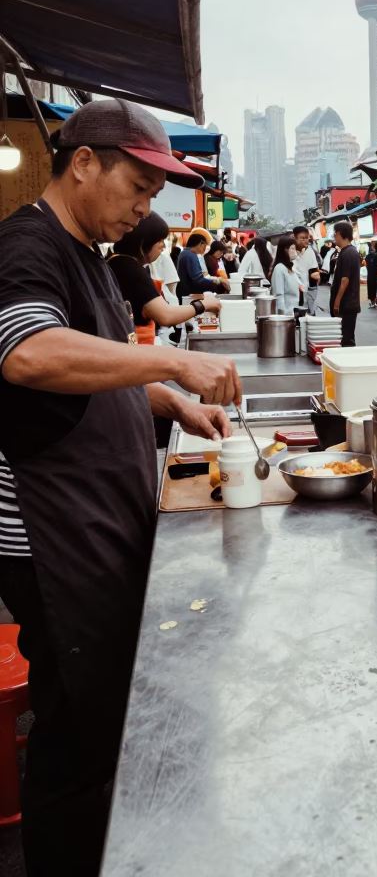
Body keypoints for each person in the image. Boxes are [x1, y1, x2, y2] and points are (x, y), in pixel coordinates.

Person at [0, 99, 242, 876]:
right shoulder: (26, 247)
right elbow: (31, 355)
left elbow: (96, 371)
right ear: (83, 164)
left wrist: (168, 401)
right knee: (74, 729)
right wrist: (172, 364)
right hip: (50, 533)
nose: (146, 208)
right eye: (138, 186)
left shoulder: (95, 260)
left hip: (99, 517)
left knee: (106, 712)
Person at [109, 214, 222, 344]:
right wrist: (203, 304)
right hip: (136, 347)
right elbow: (165, 315)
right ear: (144, 242)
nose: (162, 246)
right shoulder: (129, 268)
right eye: (160, 241)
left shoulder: (119, 262)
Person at [330, 221, 362, 347]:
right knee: (345, 336)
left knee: (346, 337)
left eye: (335, 234)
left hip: (346, 304)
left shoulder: (349, 253)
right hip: (347, 303)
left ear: (340, 233)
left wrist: (337, 302)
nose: (334, 237)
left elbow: (345, 280)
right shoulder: (346, 251)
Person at [178, 233, 227, 303]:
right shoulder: (190, 255)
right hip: (189, 294)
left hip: (185, 292)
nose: (205, 248)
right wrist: (217, 284)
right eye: (205, 245)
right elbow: (198, 280)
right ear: (201, 243)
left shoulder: (185, 253)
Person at [292, 226, 321, 315]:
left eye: (306, 238)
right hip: (293, 290)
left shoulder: (310, 252)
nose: (305, 240)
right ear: (295, 238)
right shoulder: (291, 252)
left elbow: (315, 270)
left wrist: (316, 275)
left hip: (308, 290)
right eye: (302, 238)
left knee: (308, 315)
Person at [271, 237, 301, 315]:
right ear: (285, 250)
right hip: (286, 313)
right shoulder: (279, 269)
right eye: (292, 249)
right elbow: (279, 295)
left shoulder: (291, 268)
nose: (295, 252)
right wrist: (282, 315)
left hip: (293, 311)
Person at [365, 240, 377, 310]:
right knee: (371, 287)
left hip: (373, 273)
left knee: (372, 287)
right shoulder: (373, 255)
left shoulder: (376, 255)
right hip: (372, 273)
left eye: (372, 245)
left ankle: (373, 301)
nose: (371, 246)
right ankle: (372, 301)